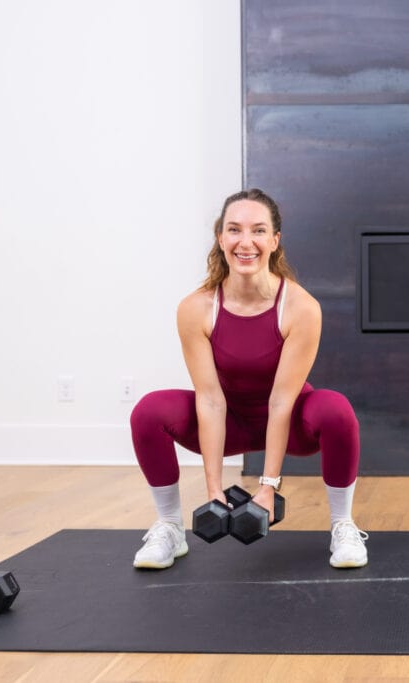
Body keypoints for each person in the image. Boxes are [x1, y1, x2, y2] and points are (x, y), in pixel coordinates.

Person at [129, 189, 368, 570]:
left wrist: (268, 485)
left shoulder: (301, 307)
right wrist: (212, 491)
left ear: (274, 241)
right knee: (148, 411)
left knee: (336, 410)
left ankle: (343, 525)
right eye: (234, 230)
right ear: (220, 238)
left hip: (290, 423)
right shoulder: (196, 308)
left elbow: (281, 402)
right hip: (229, 422)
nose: (246, 242)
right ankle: (170, 528)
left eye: (258, 231)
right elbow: (210, 400)